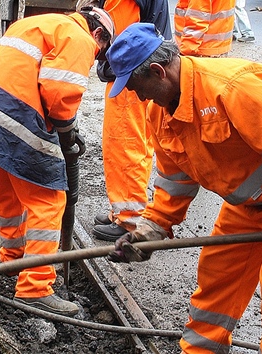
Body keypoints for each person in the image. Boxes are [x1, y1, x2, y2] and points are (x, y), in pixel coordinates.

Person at [105, 22, 262, 353]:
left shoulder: (231, 88)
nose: (136, 95)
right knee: (215, 288)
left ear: (158, 71)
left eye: (135, 86)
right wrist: (152, 228)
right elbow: (175, 180)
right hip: (243, 210)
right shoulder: (158, 112)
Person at [0, 7, 115, 316]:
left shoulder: (40, 22)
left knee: (9, 191)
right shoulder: (80, 37)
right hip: (13, 112)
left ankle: (15, 260)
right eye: (100, 53)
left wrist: (64, 133)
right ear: (99, 34)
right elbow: (60, 93)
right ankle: (34, 287)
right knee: (49, 199)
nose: (95, 57)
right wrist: (67, 133)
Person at [78, 0, 172, 241]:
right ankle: (121, 211)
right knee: (131, 142)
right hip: (138, 72)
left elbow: (119, 41)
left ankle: (130, 217)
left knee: (125, 143)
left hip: (131, 75)